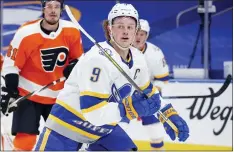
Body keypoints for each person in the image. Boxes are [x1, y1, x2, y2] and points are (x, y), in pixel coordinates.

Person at [35, 3, 189, 151]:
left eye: (130, 27)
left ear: (136, 31)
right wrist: (129, 109)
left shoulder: (138, 58)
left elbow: (148, 93)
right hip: (66, 128)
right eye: (120, 26)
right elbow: (93, 112)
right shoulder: (96, 60)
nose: (125, 32)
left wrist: (168, 114)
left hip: (102, 132)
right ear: (110, 29)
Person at [0, 0, 83, 150]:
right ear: (43, 9)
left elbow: (78, 59)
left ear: (61, 9)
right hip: (29, 92)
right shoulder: (26, 33)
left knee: (64, 139)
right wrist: (11, 87)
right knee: (25, 139)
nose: (53, 11)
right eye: (49, 7)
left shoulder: (72, 31)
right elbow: (11, 64)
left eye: (56, 7)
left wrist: (75, 67)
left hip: (59, 95)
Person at [132, 19, 170, 150]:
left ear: (147, 35)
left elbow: (162, 79)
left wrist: (152, 92)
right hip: (122, 93)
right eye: (136, 33)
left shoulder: (155, 53)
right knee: (113, 125)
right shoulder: (119, 49)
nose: (138, 37)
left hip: (147, 94)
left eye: (142, 34)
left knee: (154, 127)